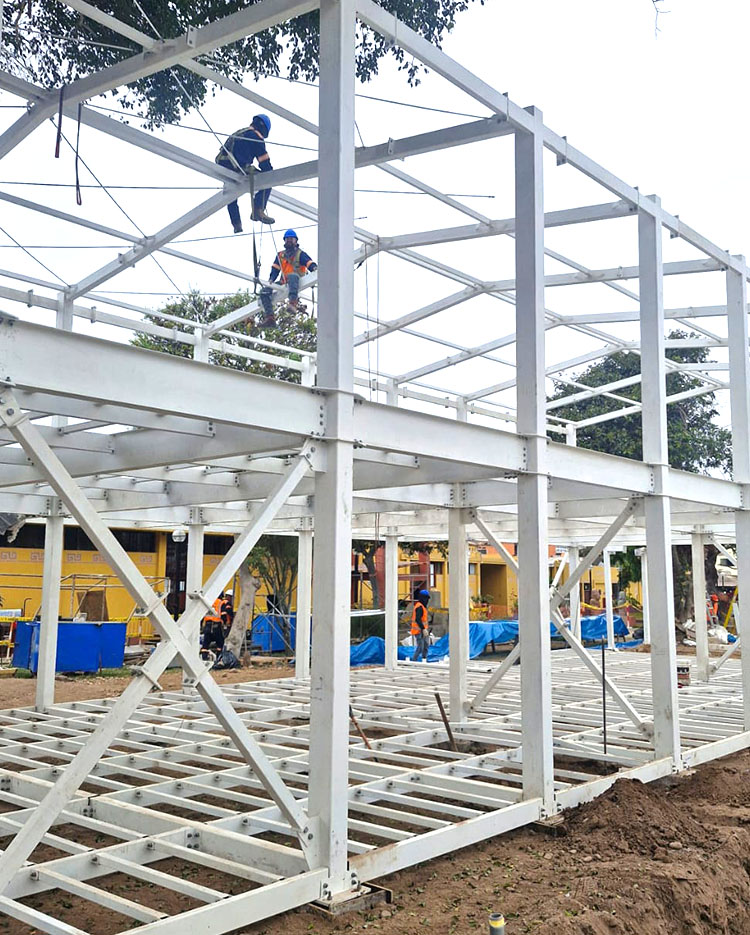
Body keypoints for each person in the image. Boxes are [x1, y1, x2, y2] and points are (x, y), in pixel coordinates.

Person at [216, 114, 275, 233]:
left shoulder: (240, 132)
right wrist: (269, 174)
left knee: (231, 194)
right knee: (269, 179)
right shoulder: (256, 137)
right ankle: (258, 210)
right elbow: (265, 163)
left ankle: (236, 223)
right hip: (238, 166)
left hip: (224, 164)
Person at [259, 230, 317, 327]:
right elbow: (275, 269)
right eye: (287, 239)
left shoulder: (300, 254)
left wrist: (315, 269)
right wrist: (271, 279)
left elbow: (309, 263)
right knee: (264, 292)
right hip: (284, 281)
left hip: (297, 278)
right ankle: (270, 318)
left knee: (292, 275)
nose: (289, 241)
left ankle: (293, 303)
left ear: (296, 241)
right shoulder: (281, 255)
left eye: (291, 239)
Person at [411, 588, 431, 662]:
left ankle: (424, 660)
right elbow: (418, 619)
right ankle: (414, 661)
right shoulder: (419, 607)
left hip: (423, 630)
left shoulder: (422, 606)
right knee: (420, 647)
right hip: (419, 631)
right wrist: (423, 629)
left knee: (426, 646)